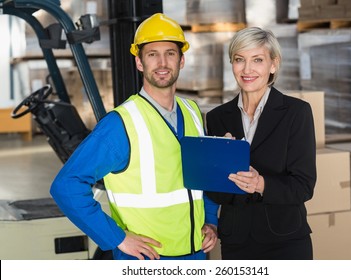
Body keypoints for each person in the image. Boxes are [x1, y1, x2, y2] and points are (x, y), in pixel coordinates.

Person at [50, 13, 218, 260]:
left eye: (170, 53)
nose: (162, 63)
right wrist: (117, 238)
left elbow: (204, 176)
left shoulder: (192, 111)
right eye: (152, 54)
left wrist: (211, 221)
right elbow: (66, 186)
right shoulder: (121, 123)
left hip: (195, 254)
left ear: (181, 61)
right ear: (139, 63)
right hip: (147, 259)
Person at [205, 27, 317, 260]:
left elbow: (303, 186)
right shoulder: (217, 117)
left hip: (285, 240)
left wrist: (260, 184)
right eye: (239, 60)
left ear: (273, 65)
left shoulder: (296, 112)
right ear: (232, 64)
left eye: (257, 60)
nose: (247, 69)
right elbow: (215, 192)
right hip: (237, 241)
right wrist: (222, 169)